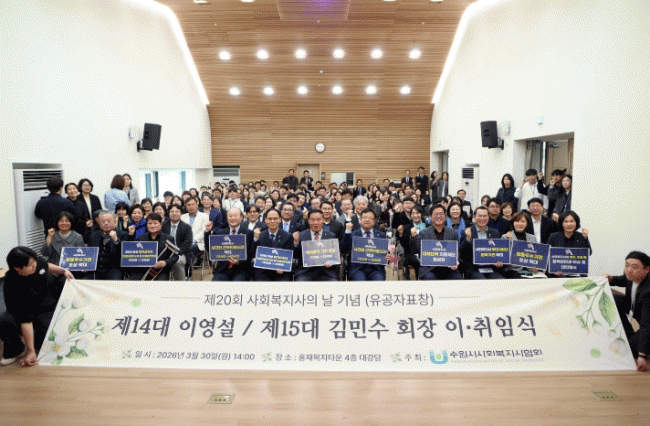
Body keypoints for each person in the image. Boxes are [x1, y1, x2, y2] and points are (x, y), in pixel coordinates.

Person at [0, 246, 74, 367]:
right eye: (30, 264)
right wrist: (31, 351)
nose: (35, 265)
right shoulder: (12, 284)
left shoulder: (35, 262)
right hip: (22, 310)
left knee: (49, 339)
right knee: (5, 320)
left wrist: (63, 270)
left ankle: (38, 341)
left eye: (34, 261)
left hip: (45, 305)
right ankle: (16, 349)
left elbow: (46, 265)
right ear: (17, 268)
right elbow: (25, 319)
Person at [605, 251, 650, 372]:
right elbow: (623, 279)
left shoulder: (648, 292)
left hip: (648, 324)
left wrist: (642, 356)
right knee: (615, 299)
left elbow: (647, 325)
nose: (629, 270)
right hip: (637, 311)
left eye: (634, 267)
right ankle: (628, 334)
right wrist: (611, 279)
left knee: (628, 350)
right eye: (627, 265)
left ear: (647, 269)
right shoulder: (632, 275)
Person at [412, 204, 462, 280]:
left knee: (457, 277)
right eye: (436, 214)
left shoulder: (453, 233)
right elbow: (416, 249)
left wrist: (456, 261)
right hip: (430, 269)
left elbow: (456, 251)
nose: (438, 216)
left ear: (445, 216)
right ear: (431, 216)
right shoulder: (424, 233)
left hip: (448, 268)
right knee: (430, 278)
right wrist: (413, 237)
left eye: (441, 214)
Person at [292, 209, 340, 282]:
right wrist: (295, 243)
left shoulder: (331, 236)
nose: (315, 223)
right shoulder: (301, 235)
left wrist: (331, 263)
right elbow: (296, 255)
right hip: (305, 272)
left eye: (318, 220)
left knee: (334, 284)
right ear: (308, 221)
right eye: (312, 220)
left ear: (323, 220)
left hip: (326, 272)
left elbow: (335, 257)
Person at [127, 213, 178, 281]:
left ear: (160, 224)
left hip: (160, 271)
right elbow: (133, 254)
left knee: (159, 284)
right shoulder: (141, 237)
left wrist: (165, 262)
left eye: (155, 223)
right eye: (150, 223)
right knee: (128, 282)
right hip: (142, 270)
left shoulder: (168, 238)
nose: (152, 226)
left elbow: (175, 256)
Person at [459, 206, 504, 279]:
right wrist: (467, 239)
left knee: (500, 281)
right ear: (474, 217)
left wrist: (500, 262)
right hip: (474, 269)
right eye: (480, 216)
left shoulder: (495, 233)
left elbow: (499, 252)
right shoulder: (467, 231)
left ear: (488, 217)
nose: (482, 218)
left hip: (491, 268)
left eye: (485, 216)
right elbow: (462, 253)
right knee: (481, 281)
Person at [210, 208, 254, 281]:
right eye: (230, 216)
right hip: (223, 270)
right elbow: (209, 249)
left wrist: (238, 262)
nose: (232, 218)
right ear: (227, 218)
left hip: (241, 270)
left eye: (235, 216)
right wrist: (207, 231)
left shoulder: (248, 233)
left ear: (241, 217)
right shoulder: (220, 233)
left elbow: (250, 254)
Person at [251, 208, 294, 281]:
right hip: (263, 271)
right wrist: (255, 239)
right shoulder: (259, 235)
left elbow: (289, 257)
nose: (272, 221)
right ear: (265, 220)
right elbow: (253, 254)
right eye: (270, 219)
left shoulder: (287, 236)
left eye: (275, 219)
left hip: (281, 272)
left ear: (280, 219)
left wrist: (283, 268)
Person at [346, 208, 388, 281]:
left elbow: (386, 254)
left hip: (376, 269)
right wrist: (347, 231)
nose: (367, 220)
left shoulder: (382, 235)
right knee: (360, 281)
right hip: (357, 269)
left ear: (374, 221)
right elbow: (344, 249)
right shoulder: (353, 235)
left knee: (378, 280)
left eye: (370, 218)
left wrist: (388, 256)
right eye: (365, 218)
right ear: (360, 220)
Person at [86, 211, 128, 280]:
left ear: (115, 222)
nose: (106, 223)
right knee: (84, 281)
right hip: (96, 268)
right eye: (103, 221)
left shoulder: (123, 234)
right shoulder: (93, 235)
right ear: (99, 223)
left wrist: (116, 240)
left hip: (114, 268)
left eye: (109, 221)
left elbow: (125, 255)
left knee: (114, 281)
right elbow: (89, 253)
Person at [547, 210, 591, 276]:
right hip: (558, 276)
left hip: (578, 276)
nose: (569, 224)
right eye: (566, 221)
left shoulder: (581, 236)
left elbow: (589, 253)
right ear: (562, 223)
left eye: (571, 221)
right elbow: (547, 257)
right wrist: (554, 271)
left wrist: (585, 238)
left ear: (576, 223)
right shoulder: (553, 236)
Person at [501, 211, 540, 278]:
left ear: (527, 223)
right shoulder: (505, 237)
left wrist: (535, 267)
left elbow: (535, 257)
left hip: (529, 270)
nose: (520, 224)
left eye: (523, 221)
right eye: (517, 221)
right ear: (513, 223)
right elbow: (504, 258)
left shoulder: (532, 238)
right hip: (512, 270)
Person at [162, 204, 194, 281]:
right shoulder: (163, 226)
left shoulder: (186, 227)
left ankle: (180, 283)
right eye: (172, 211)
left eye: (177, 211)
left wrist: (177, 252)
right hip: (165, 253)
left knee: (177, 261)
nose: (174, 213)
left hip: (180, 253)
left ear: (181, 213)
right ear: (168, 213)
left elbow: (188, 243)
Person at [181, 196, 213, 264]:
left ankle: (187, 266)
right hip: (184, 242)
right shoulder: (182, 217)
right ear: (186, 206)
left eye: (193, 204)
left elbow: (203, 231)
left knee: (189, 249)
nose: (191, 207)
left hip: (199, 242)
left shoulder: (204, 216)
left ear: (197, 205)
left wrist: (193, 240)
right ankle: (187, 265)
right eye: (189, 205)